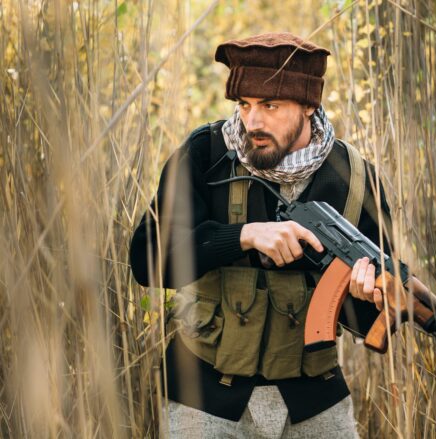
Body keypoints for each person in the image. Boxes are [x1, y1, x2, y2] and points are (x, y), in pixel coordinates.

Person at [129, 32, 393, 438]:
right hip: (204, 398)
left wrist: (361, 293)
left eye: (270, 106)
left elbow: (370, 314)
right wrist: (242, 236)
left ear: (309, 106)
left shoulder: (354, 177)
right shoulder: (206, 155)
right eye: (244, 104)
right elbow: (146, 259)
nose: (252, 122)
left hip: (314, 400)